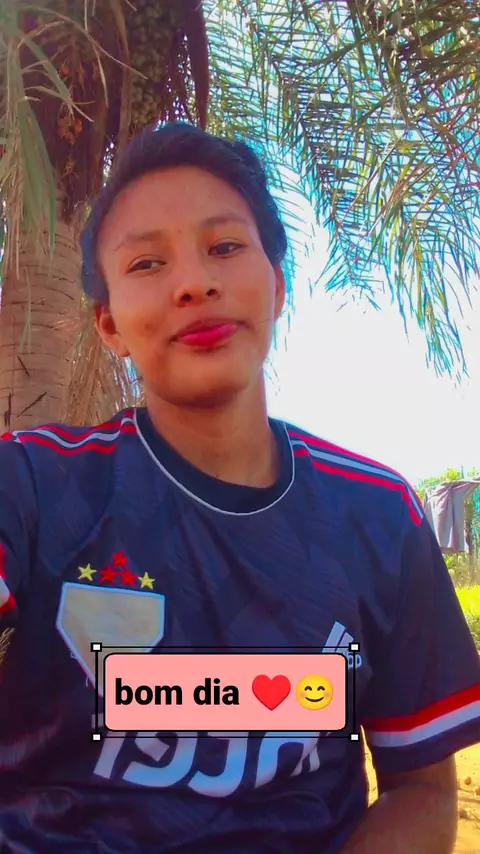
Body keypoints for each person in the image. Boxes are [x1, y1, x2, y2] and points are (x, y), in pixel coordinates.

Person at [0, 121, 479, 854]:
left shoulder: (379, 516)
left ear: (278, 287)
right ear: (109, 325)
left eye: (224, 247)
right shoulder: (35, 484)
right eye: (147, 262)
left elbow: (421, 791)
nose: (194, 283)